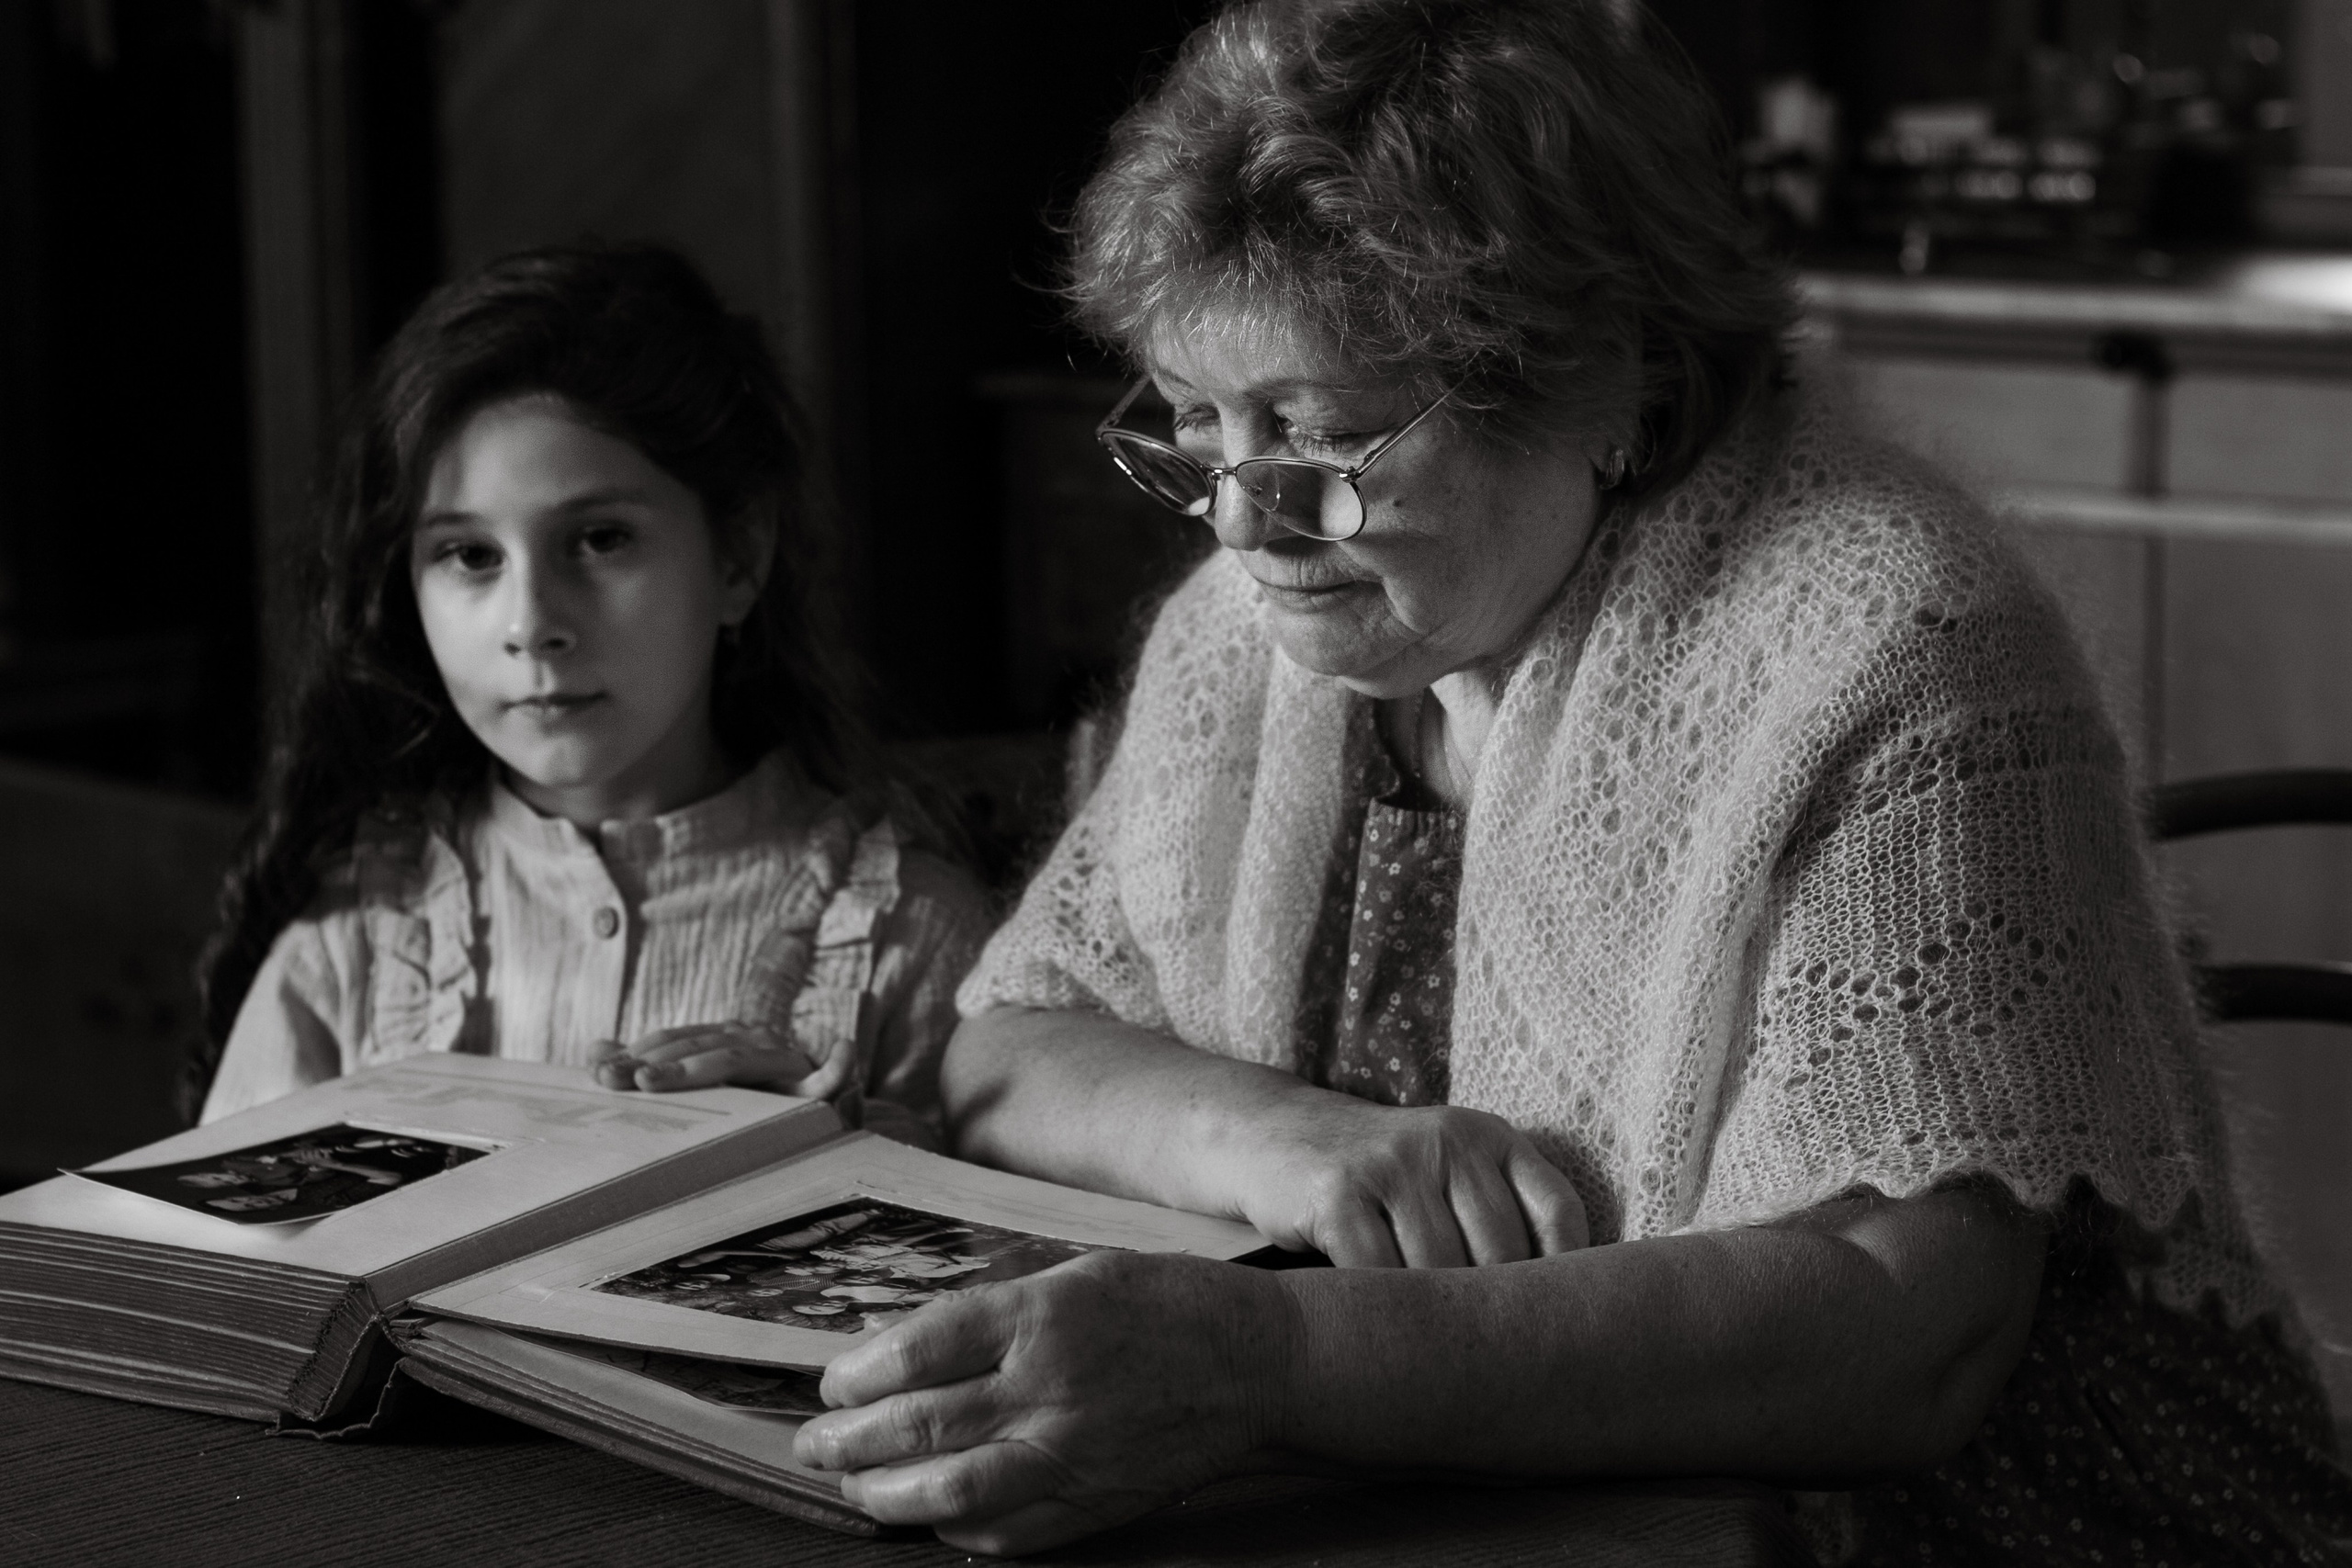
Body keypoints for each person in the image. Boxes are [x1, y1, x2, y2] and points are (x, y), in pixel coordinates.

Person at [786, 3, 2352, 1562]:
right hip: (1473, 1490)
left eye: (1318, 433)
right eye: (1198, 428)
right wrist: (1282, 1140)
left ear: (1607, 392)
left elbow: (1906, 1328)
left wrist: (1264, 1362)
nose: (1239, 523)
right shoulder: (1256, 636)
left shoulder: (1892, 646)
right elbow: (1008, 1046)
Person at [193, 243, 989, 1146]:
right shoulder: (360, 939)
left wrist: (838, 1155)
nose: (531, 623)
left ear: (738, 557)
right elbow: (211, 1270)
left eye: (601, 539)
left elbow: (1023, 1264)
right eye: (470, 555)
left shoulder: (909, 939)